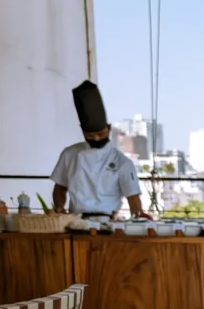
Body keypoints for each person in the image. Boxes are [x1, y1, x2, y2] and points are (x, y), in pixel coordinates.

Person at [51, 81, 148, 218]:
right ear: (82, 131)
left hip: (108, 221)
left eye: (101, 134)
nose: (96, 139)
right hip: (75, 220)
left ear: (109, 129)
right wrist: (59, 208)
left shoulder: (122, 162)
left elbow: (133, 198)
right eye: (90, 135)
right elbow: (59, 188)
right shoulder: (69, 154)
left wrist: (138, 223)